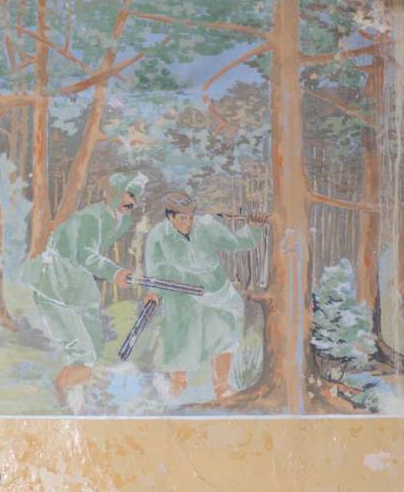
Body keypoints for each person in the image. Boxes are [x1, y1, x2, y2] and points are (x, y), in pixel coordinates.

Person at [20, 172, 143, 404]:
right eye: (128, 196)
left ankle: (73, 398)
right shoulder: (91, 218)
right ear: (113, 195)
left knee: (92, 351)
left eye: (135, 198)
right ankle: (55, 396)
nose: (132, 203)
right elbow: (86, 254)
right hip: (55, 286)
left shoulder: (118, 219)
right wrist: (114, 272)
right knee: (84, 357)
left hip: (77, 285)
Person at [141, 189, 264, 401]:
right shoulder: (158, 236)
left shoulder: (207, 227)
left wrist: (253, 229)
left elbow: (235, 242)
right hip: (180, 292)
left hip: (214, 290)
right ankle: (177, 386)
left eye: (190, 217)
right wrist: (153, 292)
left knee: (223, 335)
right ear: (170, 217)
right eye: (182, 218)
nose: (188, 222)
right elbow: (155, 268)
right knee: (179, 338)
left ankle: (222, 387)